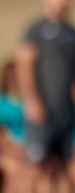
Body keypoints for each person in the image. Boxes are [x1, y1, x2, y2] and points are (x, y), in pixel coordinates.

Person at [15, 0, 75, 193]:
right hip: (43, 113)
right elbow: (24, 65)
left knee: (62, 168)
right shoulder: (35, 30)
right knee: (35, 168)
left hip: (66, 112)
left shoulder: (74, 33)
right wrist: (32, 101)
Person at [0, 61, 37, 193]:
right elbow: (2, 137)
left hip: (28, 149)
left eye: (16, 76)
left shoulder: (29, 101)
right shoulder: (2, 103)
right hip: (7, 151)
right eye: (10, 77)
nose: (13, 80)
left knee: (33, 173)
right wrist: (17, 152)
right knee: (14, 170)